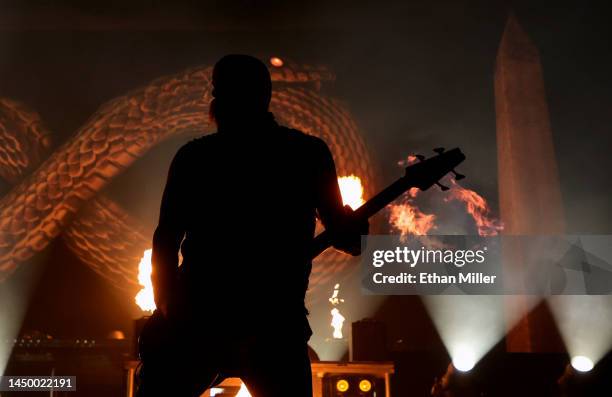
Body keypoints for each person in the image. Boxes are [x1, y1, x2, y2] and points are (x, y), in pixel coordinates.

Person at [137, 54, 368, 397]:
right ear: (266, 97)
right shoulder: (306, 154)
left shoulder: (195, 158)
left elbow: (167, 238)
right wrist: (355, 224)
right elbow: (351, 241)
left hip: (202, 316)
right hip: (273, 322)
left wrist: (169, 308)